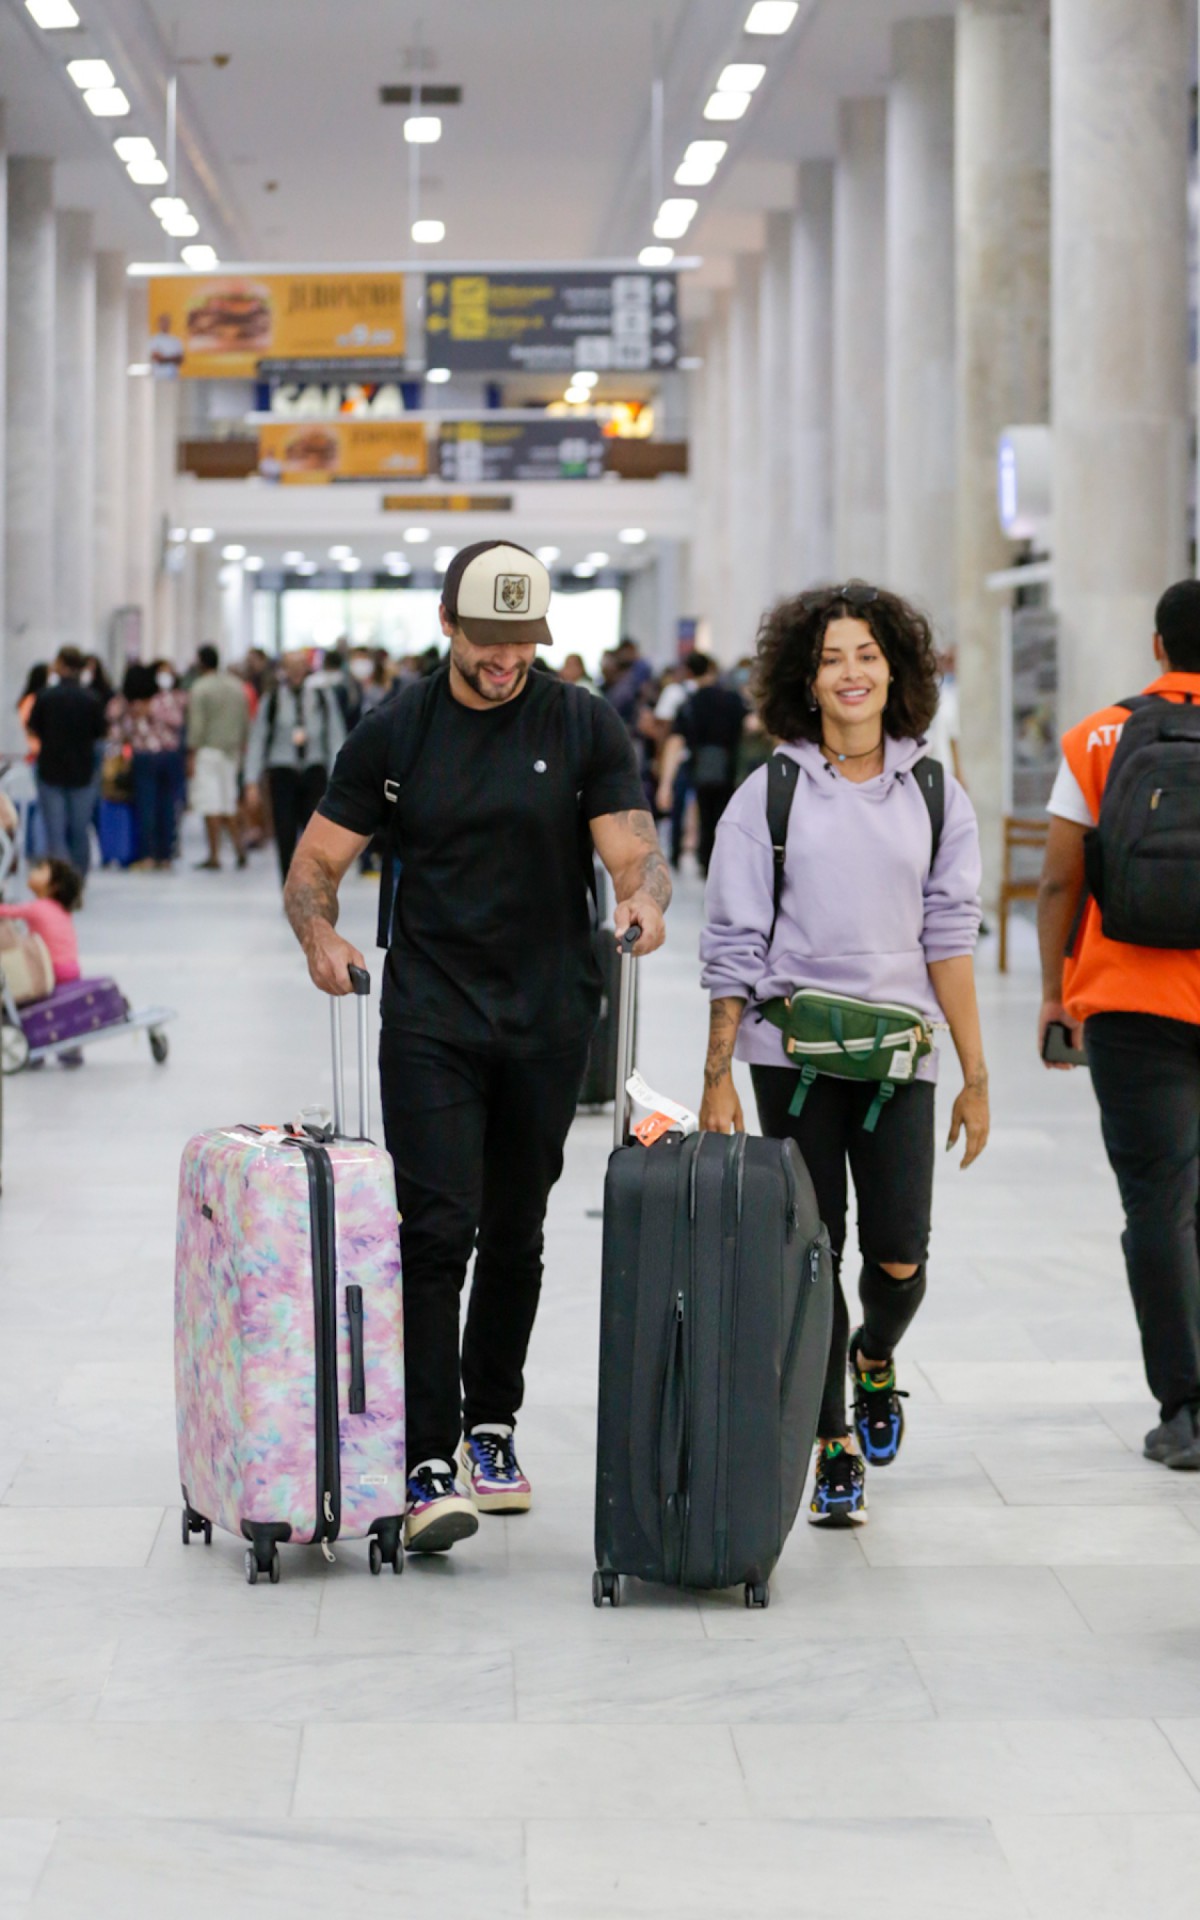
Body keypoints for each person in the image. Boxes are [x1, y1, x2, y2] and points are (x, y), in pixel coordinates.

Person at [283, 539, 671, 1555]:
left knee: (517, 1227)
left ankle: (491, 1425)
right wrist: (318, 931)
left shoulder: (580, 722)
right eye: (487, 642)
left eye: (521, 644)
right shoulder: (396, 727)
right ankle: (426, 1458)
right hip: (432, 1016)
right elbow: (317, 861)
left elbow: (633, 850)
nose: (504, 662)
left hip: (549, 1017)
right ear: (449, 626)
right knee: (434, 1227)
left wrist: (643, 898)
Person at [698, 582, 988, 1528]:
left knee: (899, 1255)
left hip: (901, 1058)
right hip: (793, 1059)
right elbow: (732, 945)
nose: (851, 672)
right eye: (831, 658)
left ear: (895, 669)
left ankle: (874, 1358)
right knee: (812, 1255)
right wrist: (716, 1078)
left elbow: (950, 935)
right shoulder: (767, 792)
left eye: (867, 654)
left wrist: (975, 1076)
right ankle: (831, 1444)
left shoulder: (936, 791)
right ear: (805, 680)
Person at [1036, 578, 1200, 1471]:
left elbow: (1062, 878)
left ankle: (1185, 1409)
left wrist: (1056, 993)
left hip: (1132, 1004)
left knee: (1159, 1205)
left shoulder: (1100, 736)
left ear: (1156, 645)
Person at [244, 650, 346, 884]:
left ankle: (314, 886)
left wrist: (338, 776)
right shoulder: (272, 700)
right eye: (290, 666)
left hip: (314, 770)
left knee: (316, 835)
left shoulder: (321, 697)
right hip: (283, 772)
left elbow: (335, 736)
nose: (296, 671)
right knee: (285, 832)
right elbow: (258, 739)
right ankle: (288, 887)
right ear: (283, 669)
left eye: (300, 665)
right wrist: (251, 781)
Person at [657, 653, 747, 875]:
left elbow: (675, 740)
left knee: (704, 813)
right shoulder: (733, 700)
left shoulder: (690, 703)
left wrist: (665, 783)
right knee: (724, 814)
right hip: (730, 768)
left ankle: (702, 860)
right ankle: (721, 860)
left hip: (700, 765)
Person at [26, 649, 107, 879]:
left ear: (60, 664)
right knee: (79, 830)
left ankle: (61, 881)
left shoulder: (45, 696)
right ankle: (78, 878)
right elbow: (100, 734)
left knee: (55, 832)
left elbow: (33, 728)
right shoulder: (91, 698)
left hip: (51, 770)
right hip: (83, 772)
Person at [109, 663, 186, 871]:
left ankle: (149, 855)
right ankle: (165, 855)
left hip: (144, 757)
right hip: (168, 756)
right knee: (167, 806)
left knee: (147, 807)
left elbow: (116, 730)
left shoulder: (125, 704)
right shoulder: (165, 699)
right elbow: (178, 720)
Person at [187, 645, 250, 871]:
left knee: (210, 804)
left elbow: (197, 725)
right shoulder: (236, 686)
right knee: (229, 802)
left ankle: (214, 854)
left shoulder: (200, 687)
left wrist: (192, 752)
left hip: (208, 750)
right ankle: (239, 849)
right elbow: (245, 720)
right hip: (232, 752)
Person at [0, 857, 82, 984]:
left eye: (40, 870)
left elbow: (6, 911)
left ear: (54, 886)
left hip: (54, 969)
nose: (33, 872)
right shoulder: (62, 909)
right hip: (72, 968)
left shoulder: (37, 908)